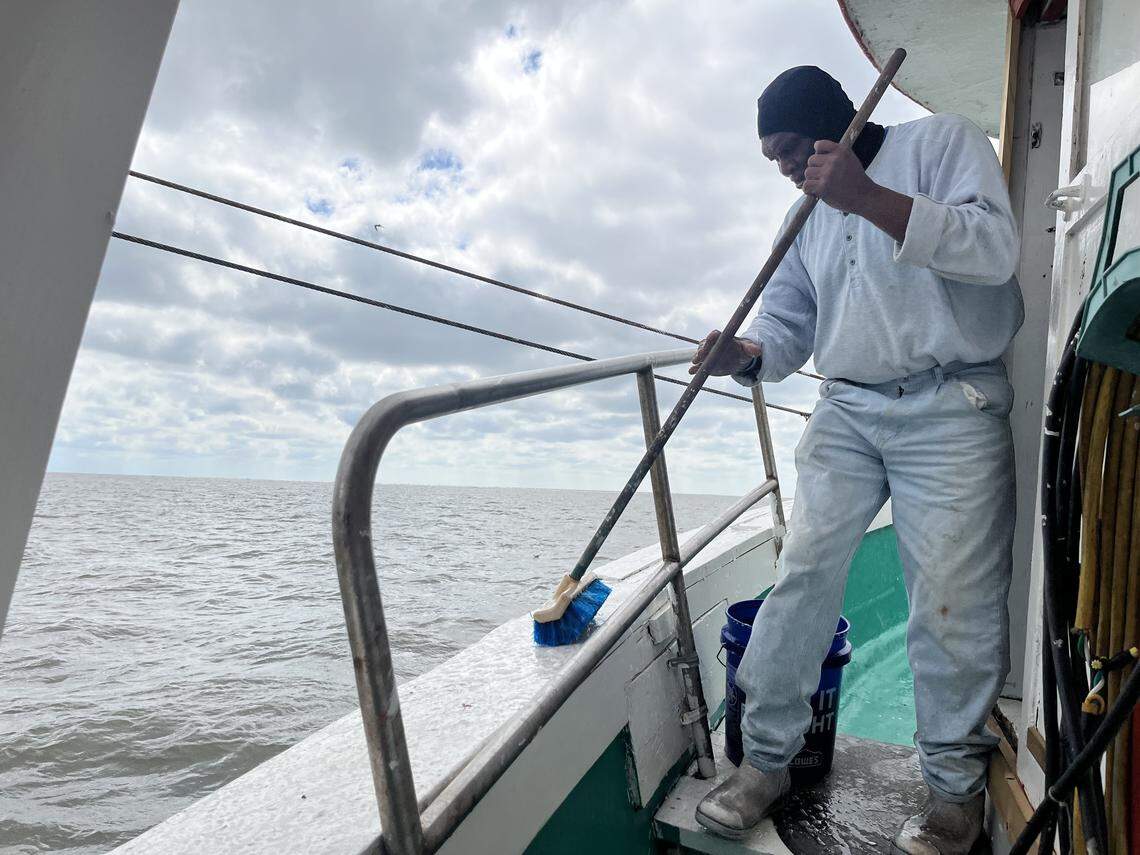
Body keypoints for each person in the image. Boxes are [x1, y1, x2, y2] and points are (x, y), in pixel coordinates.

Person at [690, 66, 1023, 855]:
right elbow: (786, 331)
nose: (781, 168)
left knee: (949, 599)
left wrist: (865, 197)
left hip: (953, 400)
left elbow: (997, 251)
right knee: (803, 571)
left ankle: (952, 795)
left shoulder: (943, 142)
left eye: (789, 150)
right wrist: (743, 354)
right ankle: (763, 760)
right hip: (848, 406)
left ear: (833, 125)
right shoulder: (800, 215)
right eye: (770, 157)